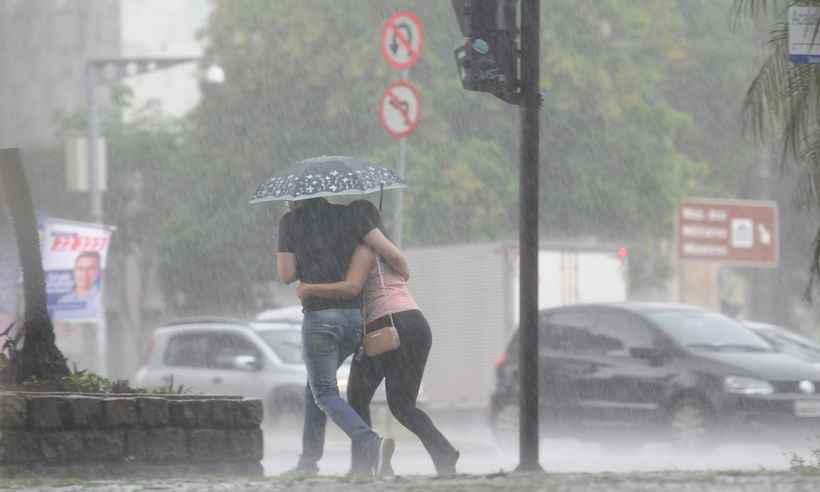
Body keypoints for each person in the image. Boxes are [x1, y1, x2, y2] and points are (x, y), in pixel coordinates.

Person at [296, 199, 460, 476]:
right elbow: (399, 265)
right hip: (416, 325)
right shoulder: (385, 249)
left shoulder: (364, 249)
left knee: (357, 397)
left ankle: (363, 465)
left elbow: (351, 288)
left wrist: (310, 288)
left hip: (387, 326)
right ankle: (443, 452)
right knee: (403, 406)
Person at [276, 197, 406, 479]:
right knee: (314, 389)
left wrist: (305, 257)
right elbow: (389, 252)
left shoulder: (290, 222)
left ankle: (371, 443)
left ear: (299, 196)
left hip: (320, 318)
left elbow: (286, 274)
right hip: (353, 321)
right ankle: (308, 462)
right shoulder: (352, 216)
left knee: (323, 392)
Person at [56, 251, 101, 320]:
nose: (84, 273)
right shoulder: (64, 301)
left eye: (90, 268)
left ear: (98, 272)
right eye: (80, 268)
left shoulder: (101, 300)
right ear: (74, 271)